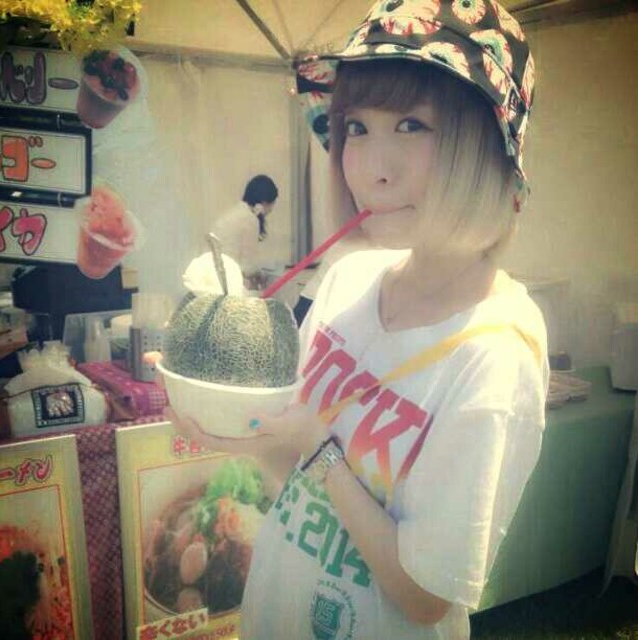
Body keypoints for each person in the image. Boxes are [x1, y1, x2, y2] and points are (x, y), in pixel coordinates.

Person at [168, 1, 549, 638]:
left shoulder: (495, 350)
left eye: (411, 125)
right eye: (357, 128)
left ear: (485, 146)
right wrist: (228, 424)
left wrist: (322, 453)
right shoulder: (348, 281)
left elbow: (427, 598)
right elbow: (295, 477)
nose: (373, 170)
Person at [210, 174, 279, 290]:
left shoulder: (234, 212)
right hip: (229, 282)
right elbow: (248, 267)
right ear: (265, 202)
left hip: (214, 277)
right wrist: (260, 274)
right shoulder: (250, 219)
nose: (272, 209)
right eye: (273, 204)